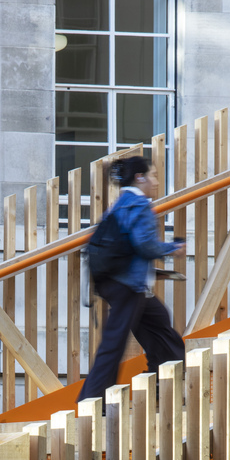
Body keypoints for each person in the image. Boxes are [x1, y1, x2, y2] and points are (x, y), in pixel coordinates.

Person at [77, 155, 186, 407]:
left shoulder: (120, 203)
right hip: (127, 286)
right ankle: (91, 402)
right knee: (113, 345)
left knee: (159, 324)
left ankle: (162, 378)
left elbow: (127, 246)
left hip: (119, 282)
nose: (156, 182)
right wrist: (173, 247)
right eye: (154, 175)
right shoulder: (139, 205)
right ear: (140, 177)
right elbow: (145, 246)